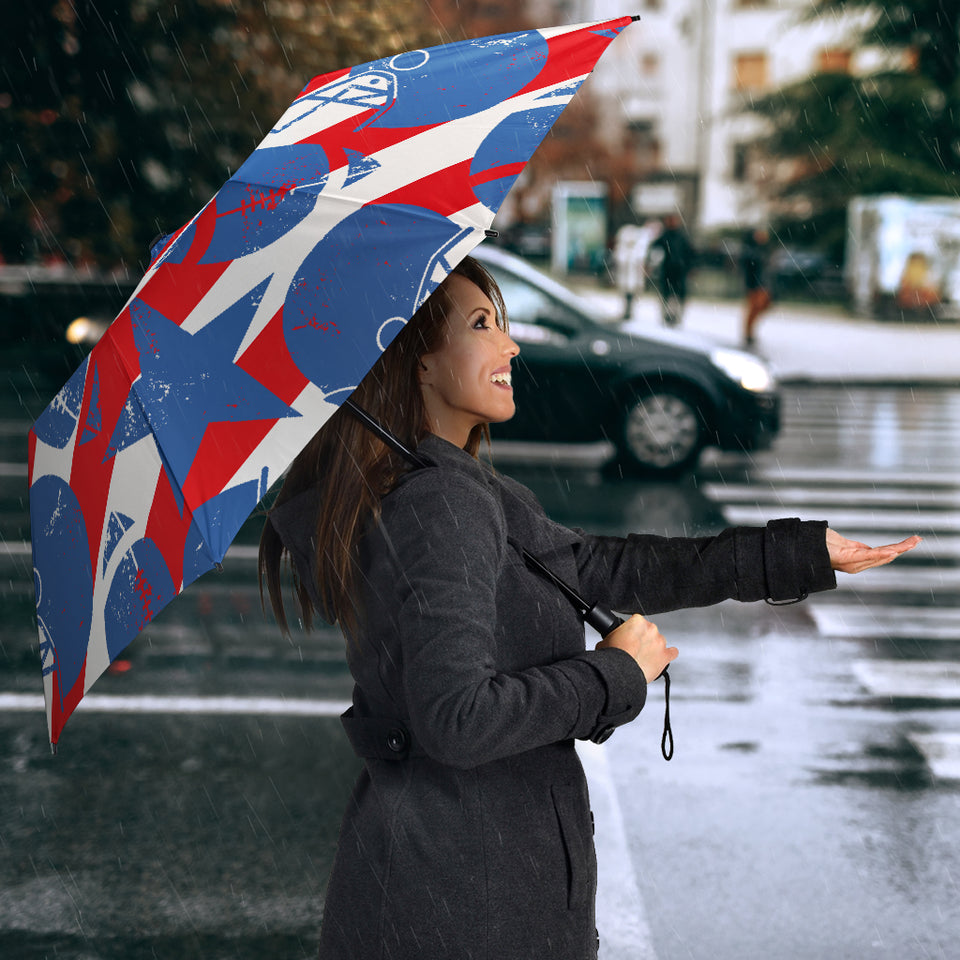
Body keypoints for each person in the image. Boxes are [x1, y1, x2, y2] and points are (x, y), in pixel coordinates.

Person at [259, 256, 919, 960]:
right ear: (417, 363)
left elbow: (604, 567)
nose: (510, 345)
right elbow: (457, 719)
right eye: (482, 325)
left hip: (452, 883)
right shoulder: (439, 504)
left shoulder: (451, 489)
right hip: (466, 903)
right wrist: (613, 673)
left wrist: (796, 554)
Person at [648, 213, 695, 327]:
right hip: (668, 270)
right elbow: (654, 249)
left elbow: (690, 253)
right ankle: (667, 315)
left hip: (679, 271)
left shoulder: (681, 237)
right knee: (667, 294)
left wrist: (690, 267)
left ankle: (675, 316)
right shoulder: (665, 236)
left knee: (677, 295)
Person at [741, 226, 773, 347]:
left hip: (763, 283)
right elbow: (750, 265)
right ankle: (748, 333)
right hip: (755, 284)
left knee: (762, 306)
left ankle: (750, 331)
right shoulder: (751, 250)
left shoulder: (763, 249)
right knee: (754, 308)